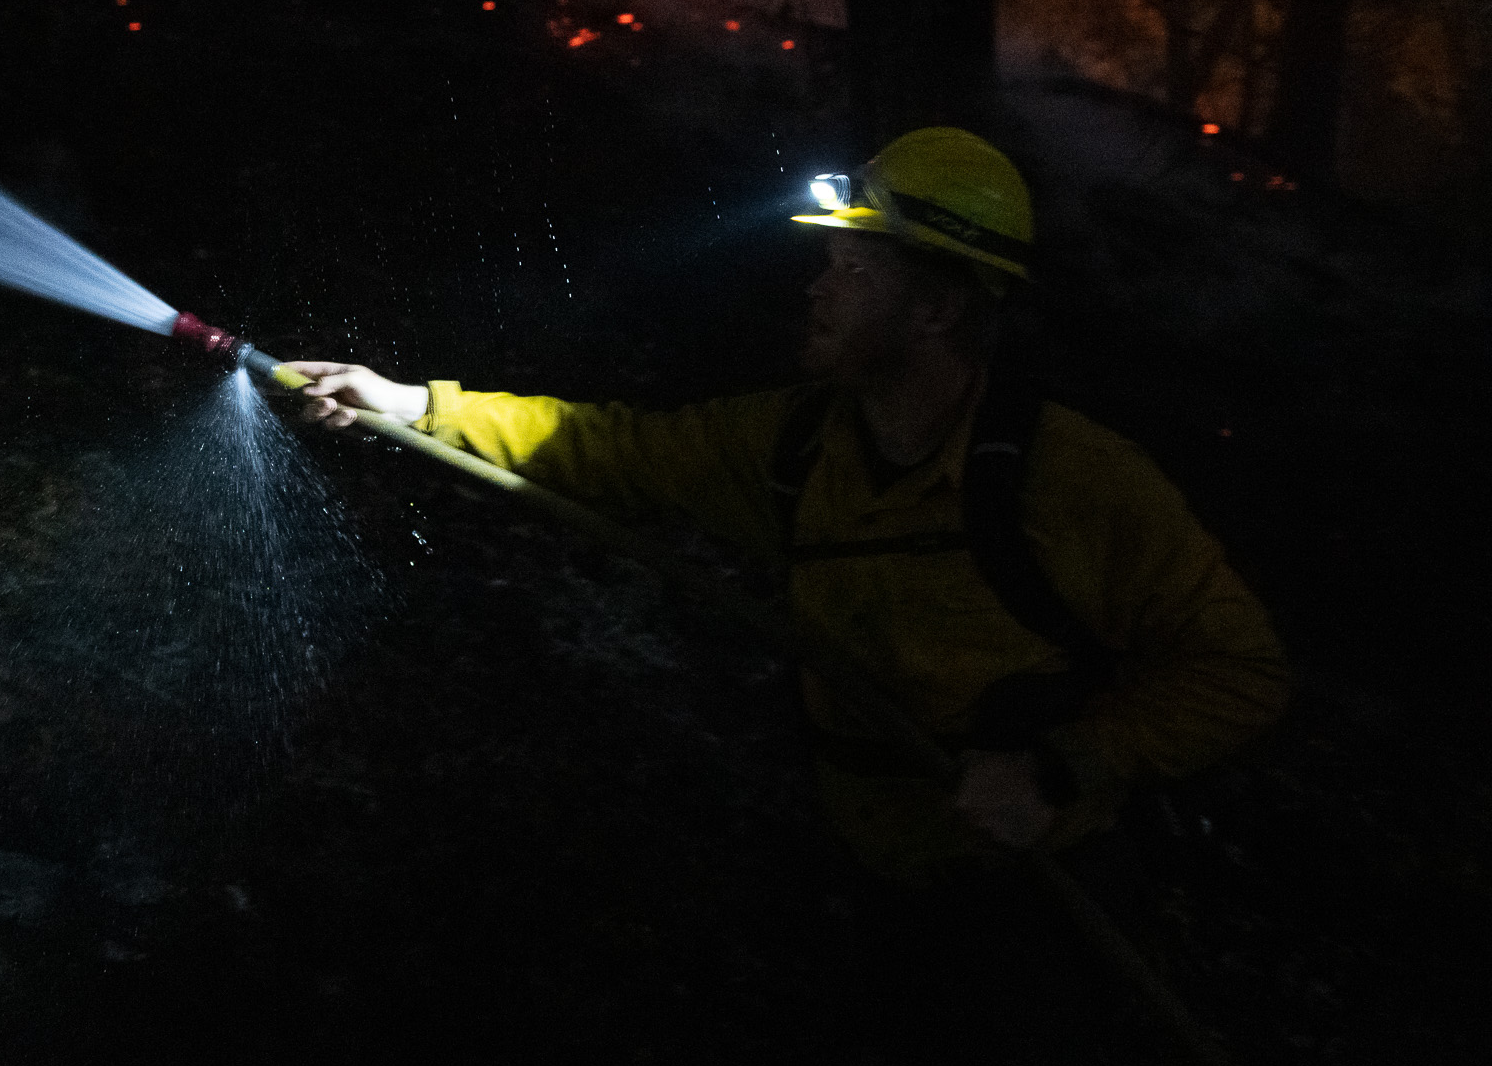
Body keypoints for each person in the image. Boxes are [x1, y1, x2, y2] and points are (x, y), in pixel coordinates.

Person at [286, 126, 1288, 888]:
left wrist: (1059, 766)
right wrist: (412, 402)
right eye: (825, 266)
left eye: (855, 270)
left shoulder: (1075, 483)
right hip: (856, 862)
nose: (818, 291)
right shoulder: (796, 443)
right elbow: (610, 450)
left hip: (1029, 887)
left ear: (938, 307)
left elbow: (1240, 668)